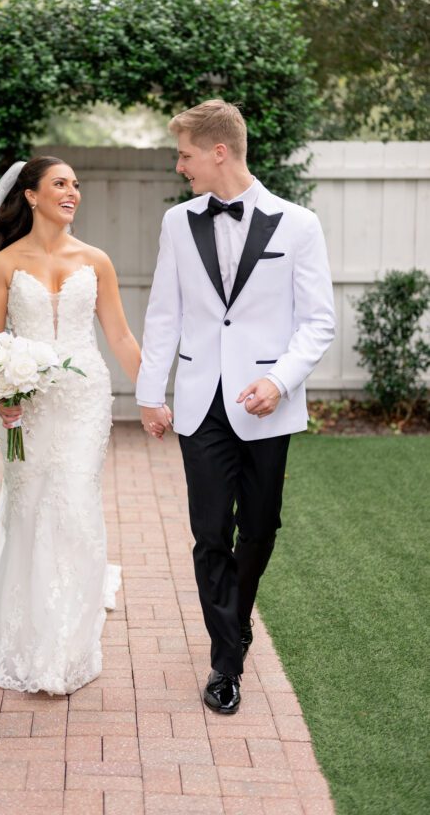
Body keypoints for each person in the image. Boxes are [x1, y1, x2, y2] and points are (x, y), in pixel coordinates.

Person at [137, 100, 335, 715]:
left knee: (260, 528)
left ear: (219, 151)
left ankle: (234, 620)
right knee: (209, 534)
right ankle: (227, 662)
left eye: (186, 154)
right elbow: (164, 312)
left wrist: (279, 381)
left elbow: (319, 322)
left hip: (265, 407)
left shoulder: (298, 225)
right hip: (201, 405)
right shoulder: (178, 223)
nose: (181, 166)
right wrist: (150, 391)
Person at [0, 155, 152, 695]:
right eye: (60, 183)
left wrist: (153, 396)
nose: (72, 192)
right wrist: (3, 398)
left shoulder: (97, 260)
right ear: (31, 196)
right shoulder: (4, 265)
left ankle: (70, 640)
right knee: (32, 506)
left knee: (76, 505)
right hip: (27, 407)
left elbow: (122, 338)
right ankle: (25, 633)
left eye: (76, 184)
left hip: (84, 401)